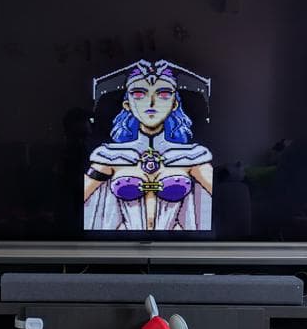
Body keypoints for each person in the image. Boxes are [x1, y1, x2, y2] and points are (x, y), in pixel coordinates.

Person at [83, 59, 213, 231]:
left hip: (180, 249)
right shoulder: (108, 155)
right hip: (118, 249)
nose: (151, 103)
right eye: (139, 93)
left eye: (163, 93)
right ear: (127, 104)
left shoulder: (194, 155)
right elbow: (78, 201)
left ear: (174, 104)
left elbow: (218, 203)